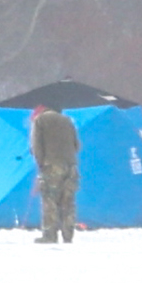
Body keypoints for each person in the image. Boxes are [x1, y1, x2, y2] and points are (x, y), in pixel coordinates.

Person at [31, 103, 81, 244]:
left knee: (49, 200)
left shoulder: (39, 121)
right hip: (71, 166)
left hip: (51, 165)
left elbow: (36, 146)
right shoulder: (67, 120)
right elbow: (77, 145)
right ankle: (68, 236)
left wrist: (41, 164)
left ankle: (50, 236)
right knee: (68, 201)